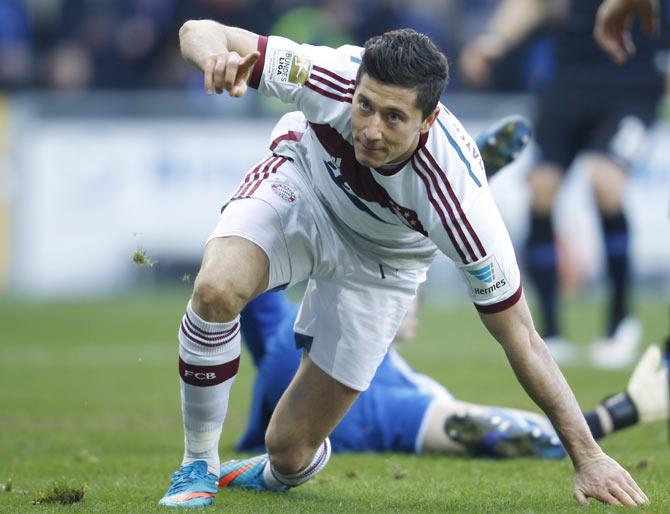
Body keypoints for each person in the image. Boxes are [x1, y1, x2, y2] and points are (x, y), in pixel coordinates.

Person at [160, 21, 649, 508]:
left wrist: (587, 456)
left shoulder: (459, 202)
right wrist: (212, 57)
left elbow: (520, 336)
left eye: (393, 118)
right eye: (365, 106)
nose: (370, 130)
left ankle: (275, 468)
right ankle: (197, 464)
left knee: (288, 452)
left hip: (383, 263)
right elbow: (200, 29)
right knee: (217, 288)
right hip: (304, 190)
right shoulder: (330, 75)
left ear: (427, 120)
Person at [459, 0, 666, 368]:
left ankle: (619, 321)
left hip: (631, 83)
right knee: (540, 190)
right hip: (568, 83)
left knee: (605, 182)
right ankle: (550, 329)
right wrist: (494, 40)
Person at [233, 291, 669, 459]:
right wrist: (620, 412)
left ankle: (424, 200)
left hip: (308, 358)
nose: (408, 292)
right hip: (346, 408)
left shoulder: (292, 323)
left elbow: (251, 281)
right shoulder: (398, 401)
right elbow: (495, 432)